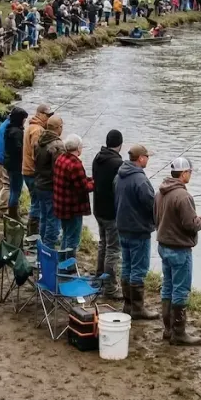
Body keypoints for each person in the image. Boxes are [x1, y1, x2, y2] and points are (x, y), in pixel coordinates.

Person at [156, 156, 201, 346]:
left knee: (167, 286)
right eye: (189, 172)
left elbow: (156, 218)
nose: (190, 175)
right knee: (180, 290)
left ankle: (168, 329)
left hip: (163, 246)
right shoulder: (183, 196)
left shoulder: (160, 192)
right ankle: (179, 333)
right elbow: (191, 225)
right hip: (179, 250)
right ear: (183, 174)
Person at [116, 144, 161, 320]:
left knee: (126, 266)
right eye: (147, 156)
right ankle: (137, 308)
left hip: (122, 227)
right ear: (141, 158)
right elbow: (151, 204)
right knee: (138, 269)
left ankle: (127, 304)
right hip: (138, 231)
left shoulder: (119, 175)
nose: (148, 159)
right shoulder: (140, 180)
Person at [91, 129, 124, 300]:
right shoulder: (118, 163)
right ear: (120, 144)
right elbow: (119, 189)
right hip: (111, 212)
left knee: (103, 244)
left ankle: (99, 277)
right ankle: (110, 287)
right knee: (113, 249)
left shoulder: (98, 157)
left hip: (98, 209)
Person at [53, 134, 94, 266]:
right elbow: (83, 188)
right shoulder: (75, 164)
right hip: (72, 208)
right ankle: (68, 267)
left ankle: (61, 262)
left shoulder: (61, 158)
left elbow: (76, 181)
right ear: (78, 148)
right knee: (73, 239)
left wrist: (91, 179)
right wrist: (97, 183)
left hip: (61, 205)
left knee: (65, 235)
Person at [33, 115, 65, 250]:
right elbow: (60, 170)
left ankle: (42, 247)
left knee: (44, 217)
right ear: (58, 128)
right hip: (51, 187)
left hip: (39, 184)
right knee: (53, 220)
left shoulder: (39, 140)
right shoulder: (56, 145)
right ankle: (49, 249)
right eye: (62, 126)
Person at [22, 104, 51, 235]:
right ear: (39, 114)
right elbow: (36, 154)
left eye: (50, 116)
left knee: (35, 202)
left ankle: (32, 231)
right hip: (32, 172)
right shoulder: (37, 130)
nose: (48, 118)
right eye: (47, 115)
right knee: (37, 204)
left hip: (27, 170)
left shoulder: (32, 127)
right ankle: (33, 233)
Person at [2, 106, 28, 220]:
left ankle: (12, 211)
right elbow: (19, 149)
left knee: (13, 188)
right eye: (24, 118)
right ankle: (13, 214)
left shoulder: (9, 129)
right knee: (16, 189)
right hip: (16, 164)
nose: (25, 120)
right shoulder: (17, 132)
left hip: (9, 162)